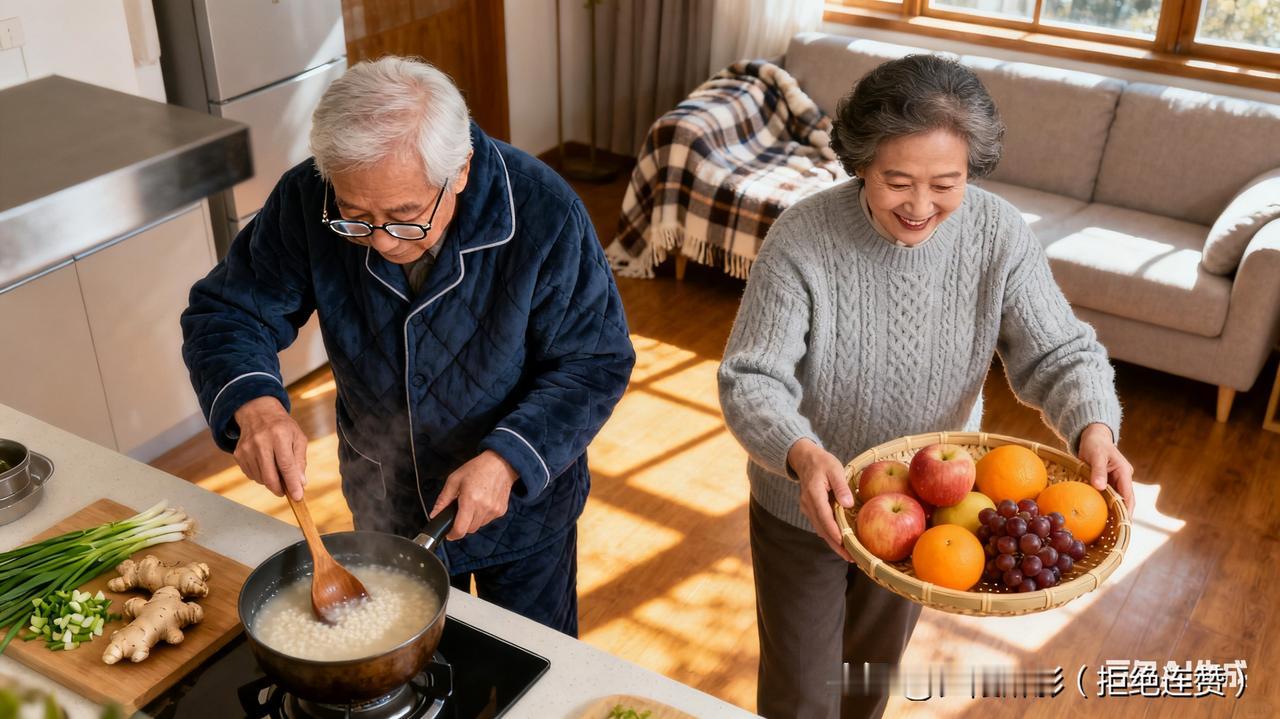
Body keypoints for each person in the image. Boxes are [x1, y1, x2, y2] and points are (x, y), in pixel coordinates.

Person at [717, 54, 1136, 719]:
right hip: (805, 504)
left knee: (864, 683)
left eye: (946, 182)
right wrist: (801, 453)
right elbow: (751, 377)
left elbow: (1060, 351)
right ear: (860, 164)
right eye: (896, 180)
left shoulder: (998, 234)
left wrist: (1094, 427)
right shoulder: (802, 237)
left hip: (928, 503)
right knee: (800, 695)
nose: (919, 206)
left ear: (973, 169)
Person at [181, 57, 635, 637]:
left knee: (529, 673)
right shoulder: (307, 199)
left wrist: (507, 460)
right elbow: (229, 311)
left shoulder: (544, 210)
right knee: (404, 661)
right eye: (356, 218)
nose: (380, 240)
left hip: (523, 509)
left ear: (461, 170)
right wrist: (256, 406)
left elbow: (594, 362)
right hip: (385, 500)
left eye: (405, 217)